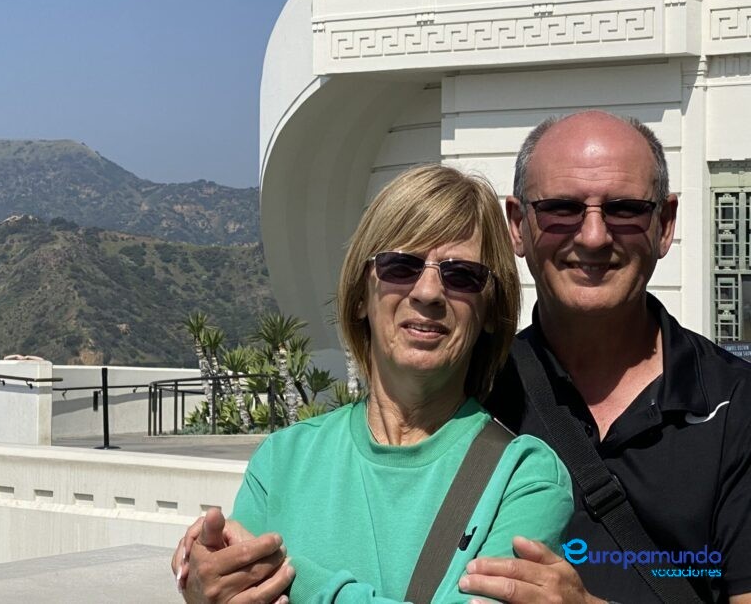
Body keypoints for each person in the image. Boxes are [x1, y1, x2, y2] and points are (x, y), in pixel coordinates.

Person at [174, 164, 572, 603]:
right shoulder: (281, 461)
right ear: (361, 295)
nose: (428, 292)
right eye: (400, 266)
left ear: (490, 312)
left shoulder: (525, 478)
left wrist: (289, 574)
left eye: (462, 275)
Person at [457, 111, 751, 603]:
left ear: (665, 224)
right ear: (518, 225)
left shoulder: (736, 406)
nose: (593, 236)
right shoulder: (472, 393)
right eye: (561, 208)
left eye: (624, 209)